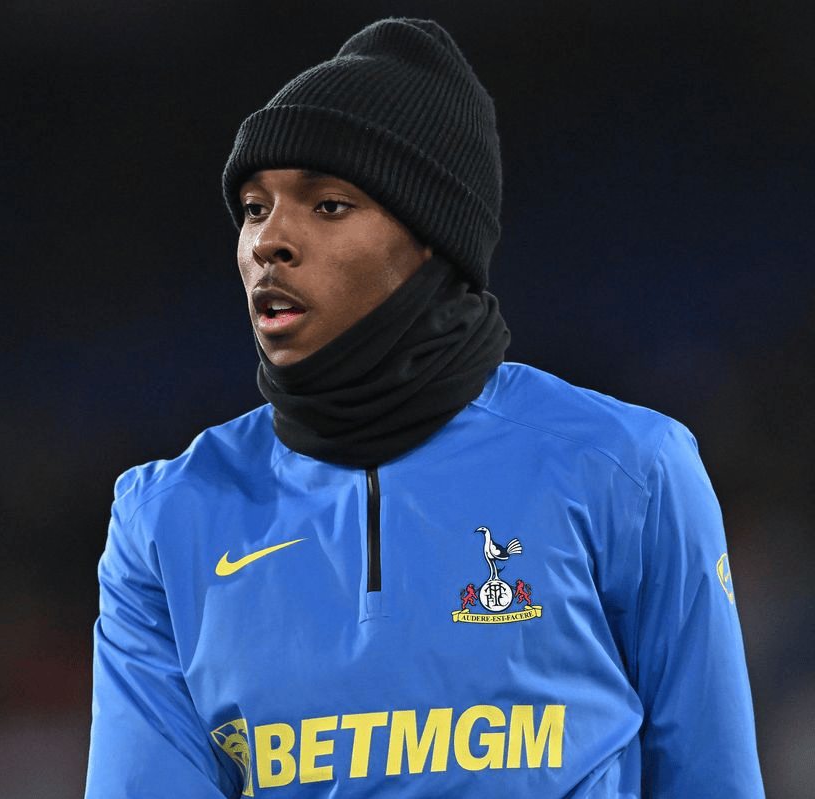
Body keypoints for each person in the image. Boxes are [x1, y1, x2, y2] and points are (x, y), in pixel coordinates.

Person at [85, 18, 764, 798]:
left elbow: (712, 779)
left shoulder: (628, 470)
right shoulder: (165, 516)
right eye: (253, 206)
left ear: (432, 238)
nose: (268, 240)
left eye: (328, 205)